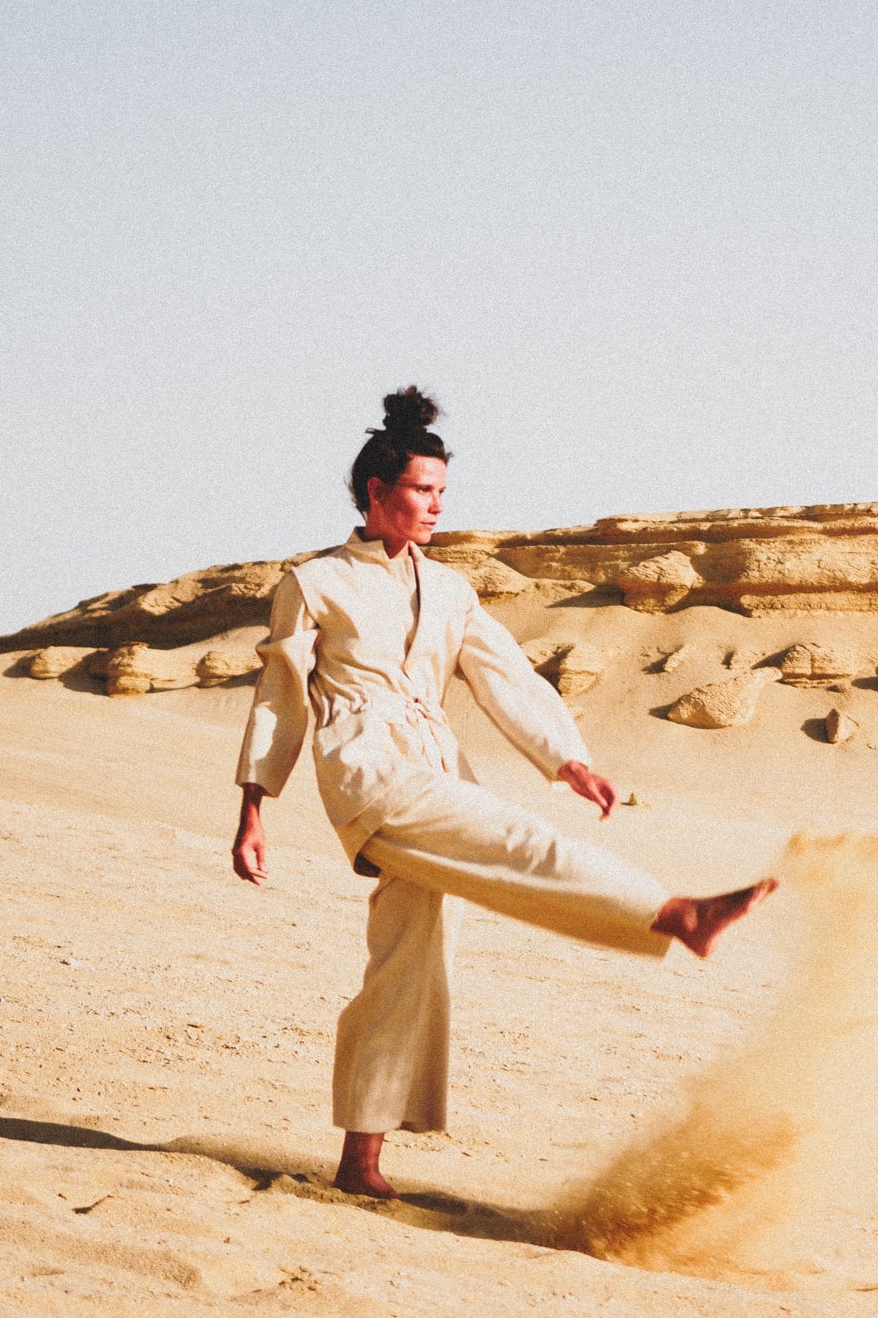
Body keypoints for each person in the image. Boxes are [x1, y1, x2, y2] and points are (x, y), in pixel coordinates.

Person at [231, 386, 777, 1198]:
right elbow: (279, 695)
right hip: (366, 767)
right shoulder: (314, 583)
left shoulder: (450, 590)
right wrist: (253, 809)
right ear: (376, 493)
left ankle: (359, 1162)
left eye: (442, 494)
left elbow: (504, 676)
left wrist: (568, 760)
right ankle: (674, 915)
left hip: (435, 761)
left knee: (412, 957)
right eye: (421, 491)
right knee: (519, 842)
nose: (435, 508)